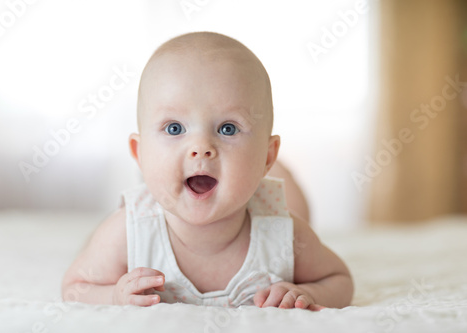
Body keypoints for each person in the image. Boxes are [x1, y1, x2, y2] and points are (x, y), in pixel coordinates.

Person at [61, 31, 353, 310]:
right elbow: (75, 286)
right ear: (139, 153)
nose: (201, 147)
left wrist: (307, 292)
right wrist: (114, 295)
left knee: (294, 205)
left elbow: (339, 281)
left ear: (266, 156)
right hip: (142, 209)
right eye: (174, 128)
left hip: (268, 199)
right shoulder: (128, 231)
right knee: (95, 245)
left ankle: (281, 173)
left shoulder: (284, 233)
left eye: (228, 128)